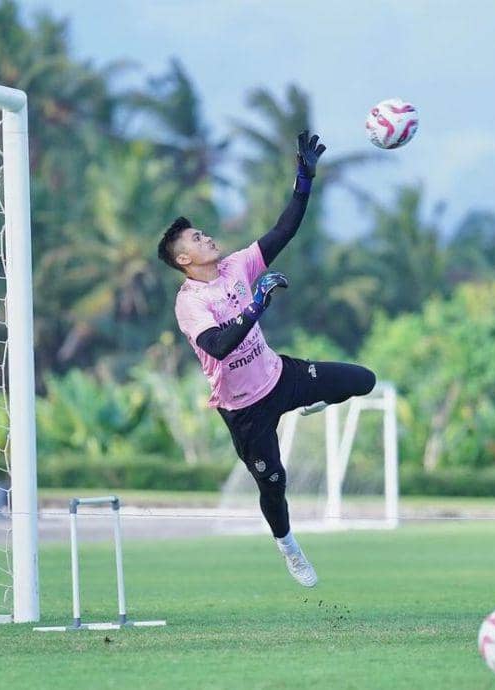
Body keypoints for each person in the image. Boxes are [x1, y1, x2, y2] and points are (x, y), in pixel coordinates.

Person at [157, 131, 376, 587]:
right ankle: (289, 548)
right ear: (183, 258)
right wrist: (256, 305)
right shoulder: (189, 303)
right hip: (245, 410)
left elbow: (284, 230)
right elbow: (218, 345)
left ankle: (311, 400)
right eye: (198, 237)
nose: (207, 237)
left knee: (364, 380)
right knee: (273, 484)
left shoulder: (238, 265)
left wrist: (304, 179)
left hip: (281, 378)